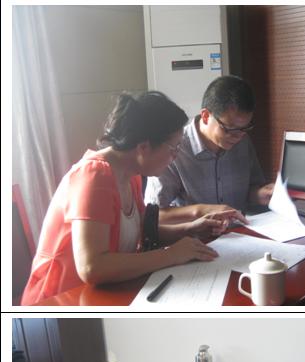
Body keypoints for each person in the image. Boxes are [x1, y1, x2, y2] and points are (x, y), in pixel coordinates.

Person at [21, 91, 243, 305]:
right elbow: (92, 267)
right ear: (144, 147)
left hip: (103, 293)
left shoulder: (131, 175)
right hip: (60, 301)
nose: (175, 157)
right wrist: (171, 255)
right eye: (173, 149)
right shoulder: (94, 176)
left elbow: (141, 231)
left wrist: (190, 229)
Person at [145, 75, 274, 220]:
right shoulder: (174, 149)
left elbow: (250, 191)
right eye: (229, 128)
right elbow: (153, 215)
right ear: (206, 116)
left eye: (244, 128)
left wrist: (260, 194)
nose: (237, 136)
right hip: (195, 234)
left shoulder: (243, 141)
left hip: (241, 230)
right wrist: (201, 211)